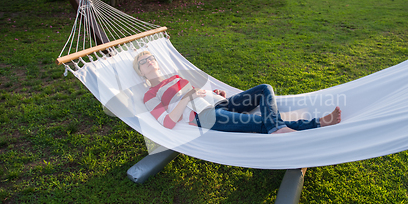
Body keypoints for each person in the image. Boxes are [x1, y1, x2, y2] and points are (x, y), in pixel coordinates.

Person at [133, 51, 341, 134]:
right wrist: (188, 97)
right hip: (204, 116)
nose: (149, 61)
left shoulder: (175, 78)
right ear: (141, 73)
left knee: (264, 89)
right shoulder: (150, 95)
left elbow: (197, 94)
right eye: (143, 61)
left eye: (151, 57)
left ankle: (277, 127)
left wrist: (214, 93)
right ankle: (316, 123)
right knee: (259, 122)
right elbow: (168, 122)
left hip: (219, 103)